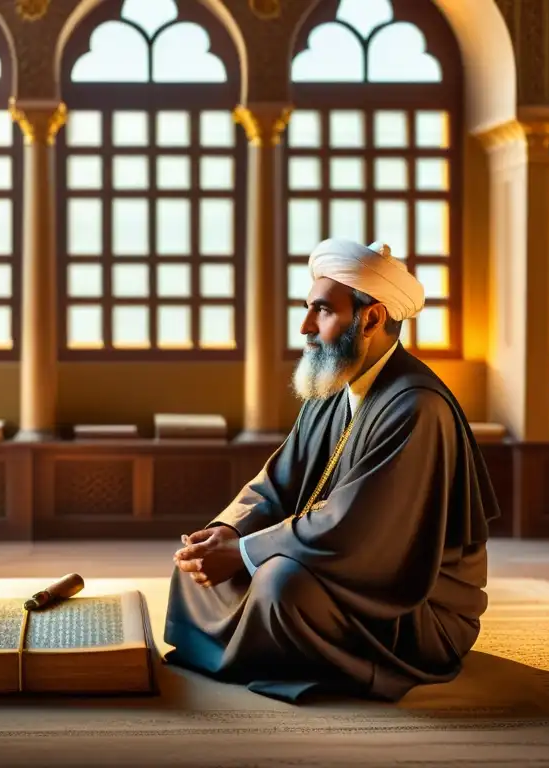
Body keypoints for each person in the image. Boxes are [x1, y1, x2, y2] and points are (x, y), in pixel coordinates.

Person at [163, 238, 500, 703]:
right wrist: (226, 532)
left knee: (278, 584)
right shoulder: (335, 389)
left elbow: (358, 530)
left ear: (372, 318)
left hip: (412, 602)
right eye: (308, 309)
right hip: (333, 564)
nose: (305, 326)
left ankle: (268, 650)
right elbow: (275, 484)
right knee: (198, 566)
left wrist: (243, 553)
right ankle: (260, 645)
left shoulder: (416, 406)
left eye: (321, 310)